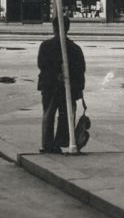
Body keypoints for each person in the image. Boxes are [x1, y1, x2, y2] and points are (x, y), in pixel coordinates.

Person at [38, 18, 86, 154]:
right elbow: (80, 69)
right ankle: (60, 141)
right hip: (68, 87)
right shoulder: (75, 48)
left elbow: (42, 65)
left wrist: (55, 75)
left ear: (53, 28)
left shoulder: (46, 46)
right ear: (68, 28)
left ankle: (47, 144)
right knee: (66, 116)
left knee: (48, 113)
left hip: (50, 86)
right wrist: (79, 87)